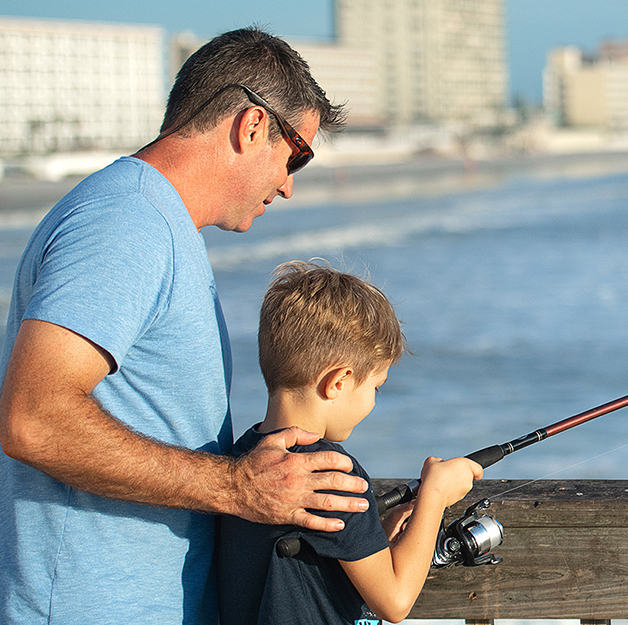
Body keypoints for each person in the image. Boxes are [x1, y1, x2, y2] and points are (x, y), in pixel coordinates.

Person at [0, 28, 371, 623]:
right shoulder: (127, 222)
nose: (289, 184)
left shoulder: (154, 222)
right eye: (295, 153)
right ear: (251, 126)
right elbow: (32, 419)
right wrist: (238, 488)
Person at [218, 261, 484, 624]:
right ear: (339, 382)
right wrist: (434, 495)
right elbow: (395, 601)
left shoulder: (241, 458)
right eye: (375, 387)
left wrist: (375, 539)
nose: (374, 401)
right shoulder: (332, 473)